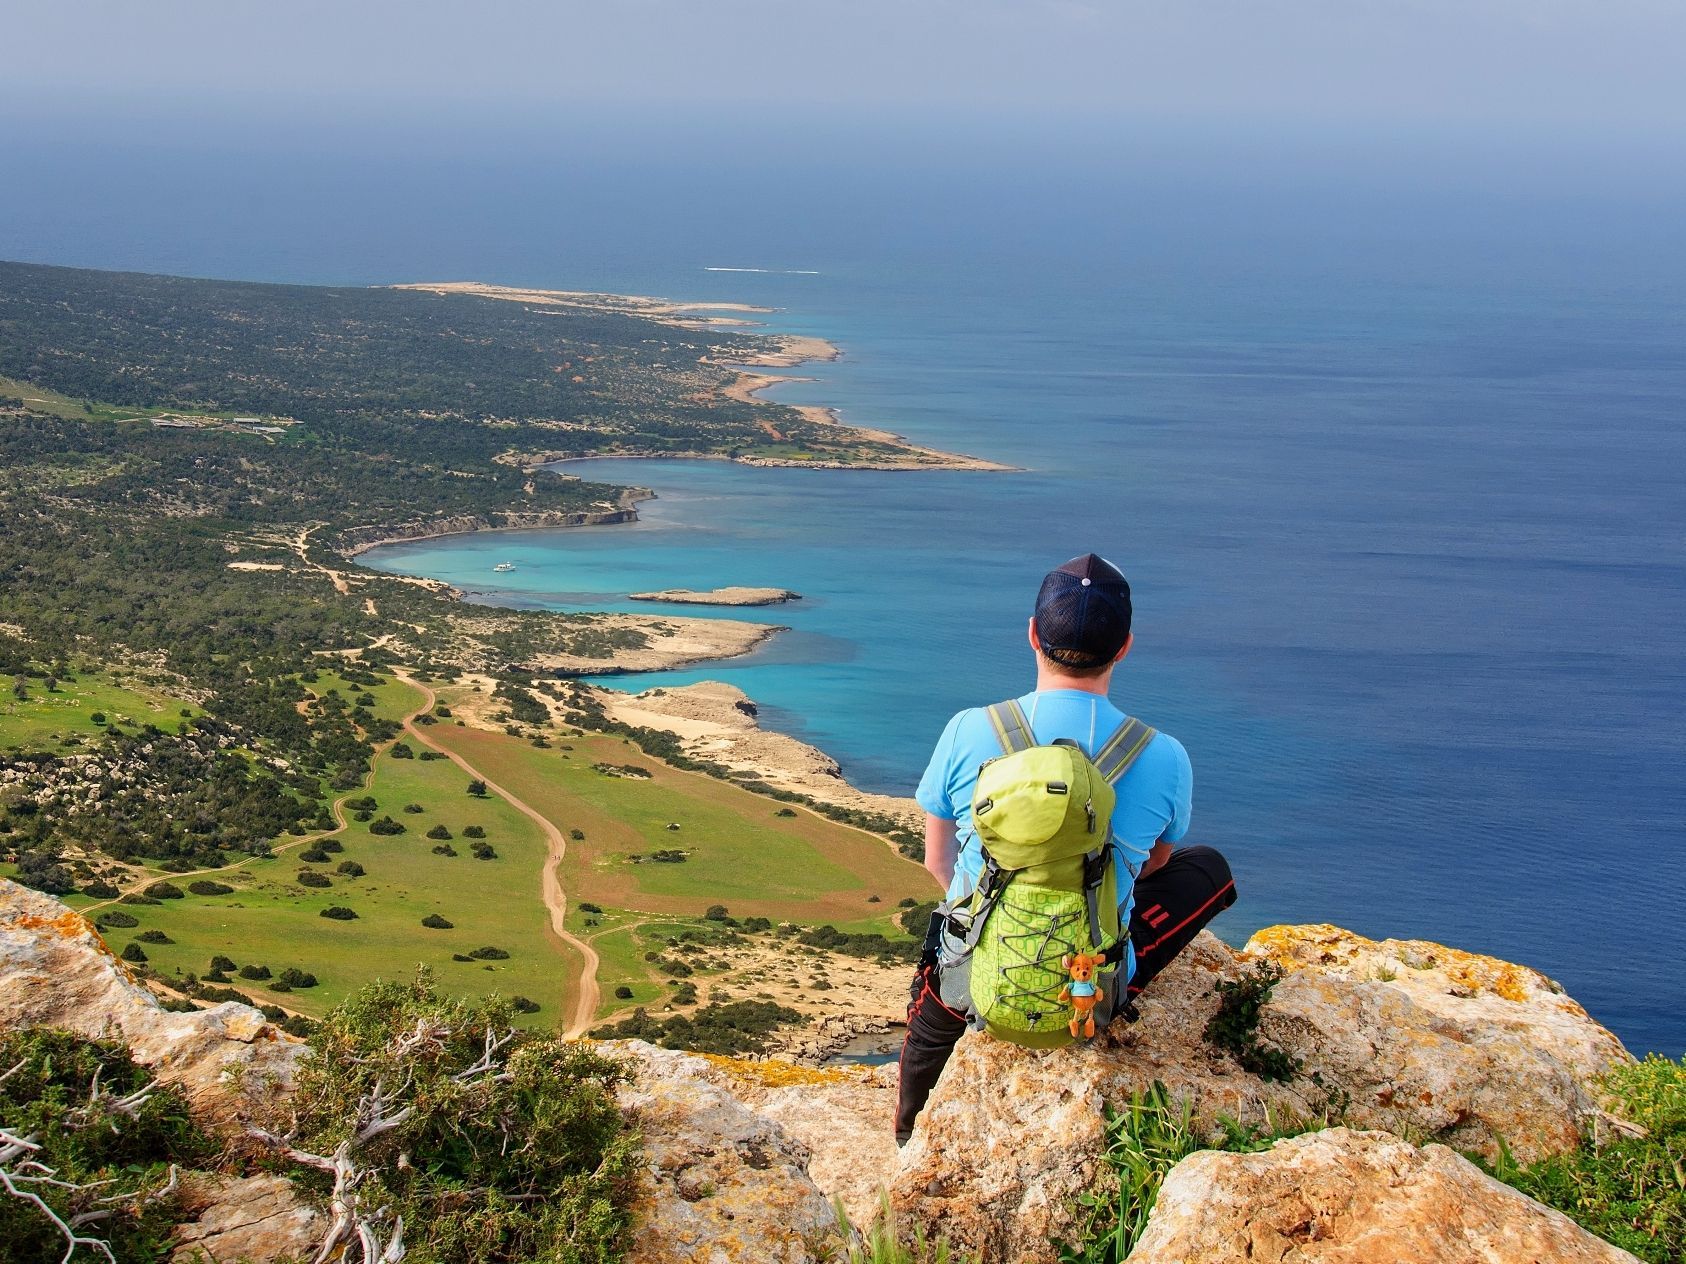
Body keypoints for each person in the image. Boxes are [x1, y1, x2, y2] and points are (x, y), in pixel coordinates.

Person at [895, 553, 1236, 1143]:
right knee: (1206, 868)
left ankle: (908, 1138)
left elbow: (937, 860)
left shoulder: (969, 728)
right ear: (1125, 646)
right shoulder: (1163, 755)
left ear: (1032, 634)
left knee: (929, 1024)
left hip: (972, 972)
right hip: (1090, 980)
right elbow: (1155, 864)